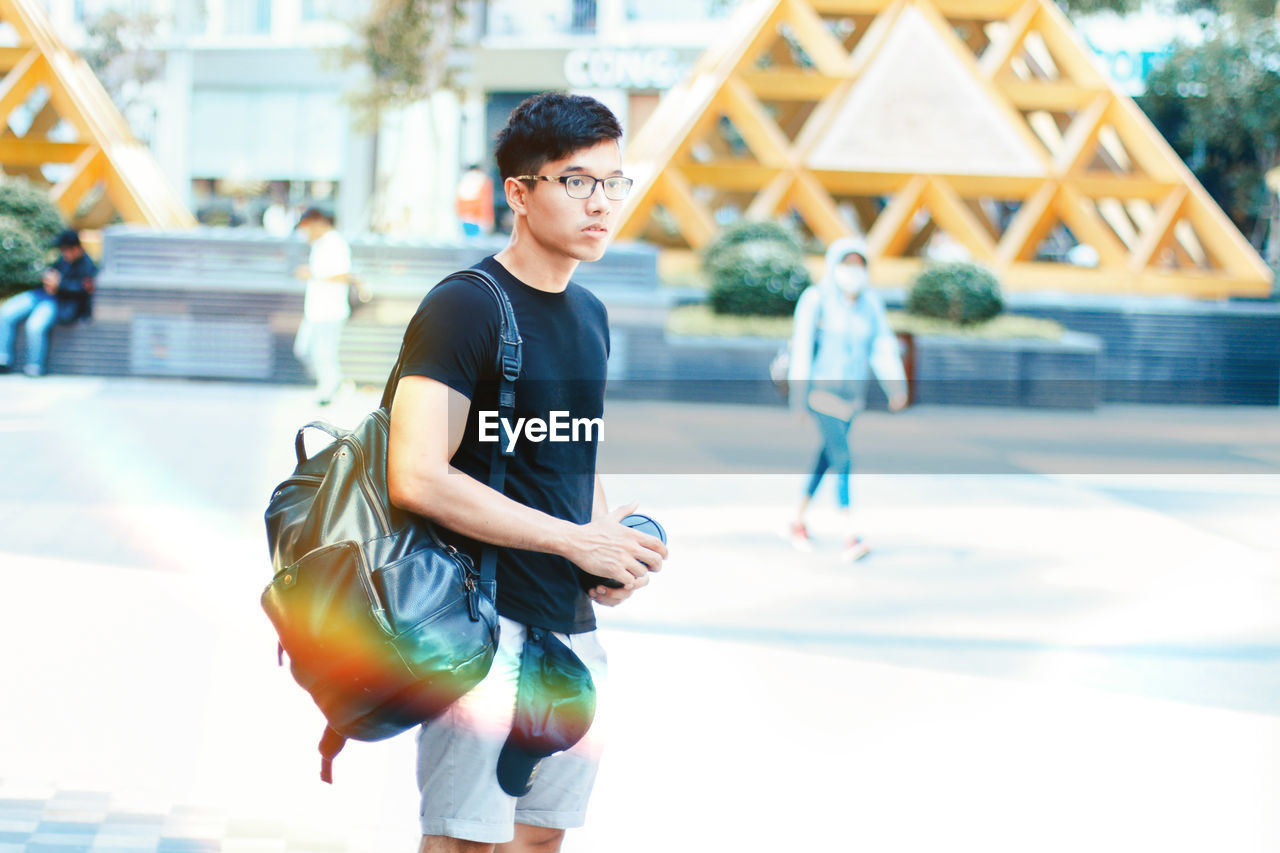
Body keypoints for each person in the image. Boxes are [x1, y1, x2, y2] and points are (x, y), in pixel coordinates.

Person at [385, 92, 668, 853]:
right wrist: (576, 542)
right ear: (519, 191)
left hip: (570, 626)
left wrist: (607, 552)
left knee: (539, 837)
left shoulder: (590, 317)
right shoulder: (465, 307)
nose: (601, 203)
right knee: (465, 841)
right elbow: (416, 473)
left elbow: (577, 453)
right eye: (577, 181)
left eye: (614, 182)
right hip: (482, 626)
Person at [786, 237, 908, 561]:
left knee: (825, 458)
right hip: (821, 393)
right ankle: (850, 533)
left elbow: (882, 345)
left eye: (859, 265)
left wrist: (895, 385)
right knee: (843, 458)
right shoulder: (816, 299)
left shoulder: (871, 304)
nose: (853, 271)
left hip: (852, 399)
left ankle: (797, 519)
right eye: (846, 264)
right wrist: (798, 398)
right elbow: (801, 348)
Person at [0, 229, 96, 377]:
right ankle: (3, 358)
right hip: (41, 294)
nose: (64, 254)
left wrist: (60, 285)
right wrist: (47, 278)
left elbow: (82, 291)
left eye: (66, 250)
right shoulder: (63, 260)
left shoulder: (87, 266)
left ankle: (34, 366)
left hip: (58, 301)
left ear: (76, 248)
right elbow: (51, 271)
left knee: (35, 325)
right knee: (6, 312)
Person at [292, 206, 352, 405]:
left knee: (323, 353)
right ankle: (334, 382)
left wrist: (313, 274)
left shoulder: (335, 244)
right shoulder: (319, 245)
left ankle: (327, 390)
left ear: (318, 223)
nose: (304, 233)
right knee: (305, 349)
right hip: (315, 310)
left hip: (330, 310)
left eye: (306, 227)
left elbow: (344, 275)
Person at [456, 163, 495, 237]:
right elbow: (486, 202)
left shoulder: (464, 180)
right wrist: (488, 218)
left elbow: (459, 201)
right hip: (479, 218)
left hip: (466, 217)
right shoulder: (483, 180)